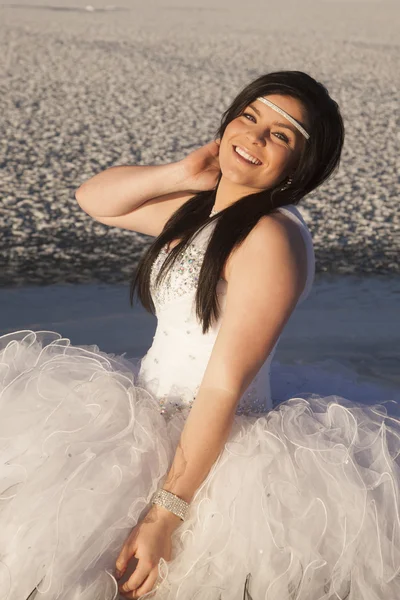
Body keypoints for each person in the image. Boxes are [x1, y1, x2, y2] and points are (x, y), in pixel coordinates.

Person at [1, 70, 399, 600]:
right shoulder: (204, 212)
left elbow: (223, 384)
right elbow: (94, 199)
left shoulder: (271, 236)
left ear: (303, 164)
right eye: (249, 117)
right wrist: (182, 172)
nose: (255, 137)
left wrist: (167, 514)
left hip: (214, 449)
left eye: (280, 135)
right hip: (142, 416)